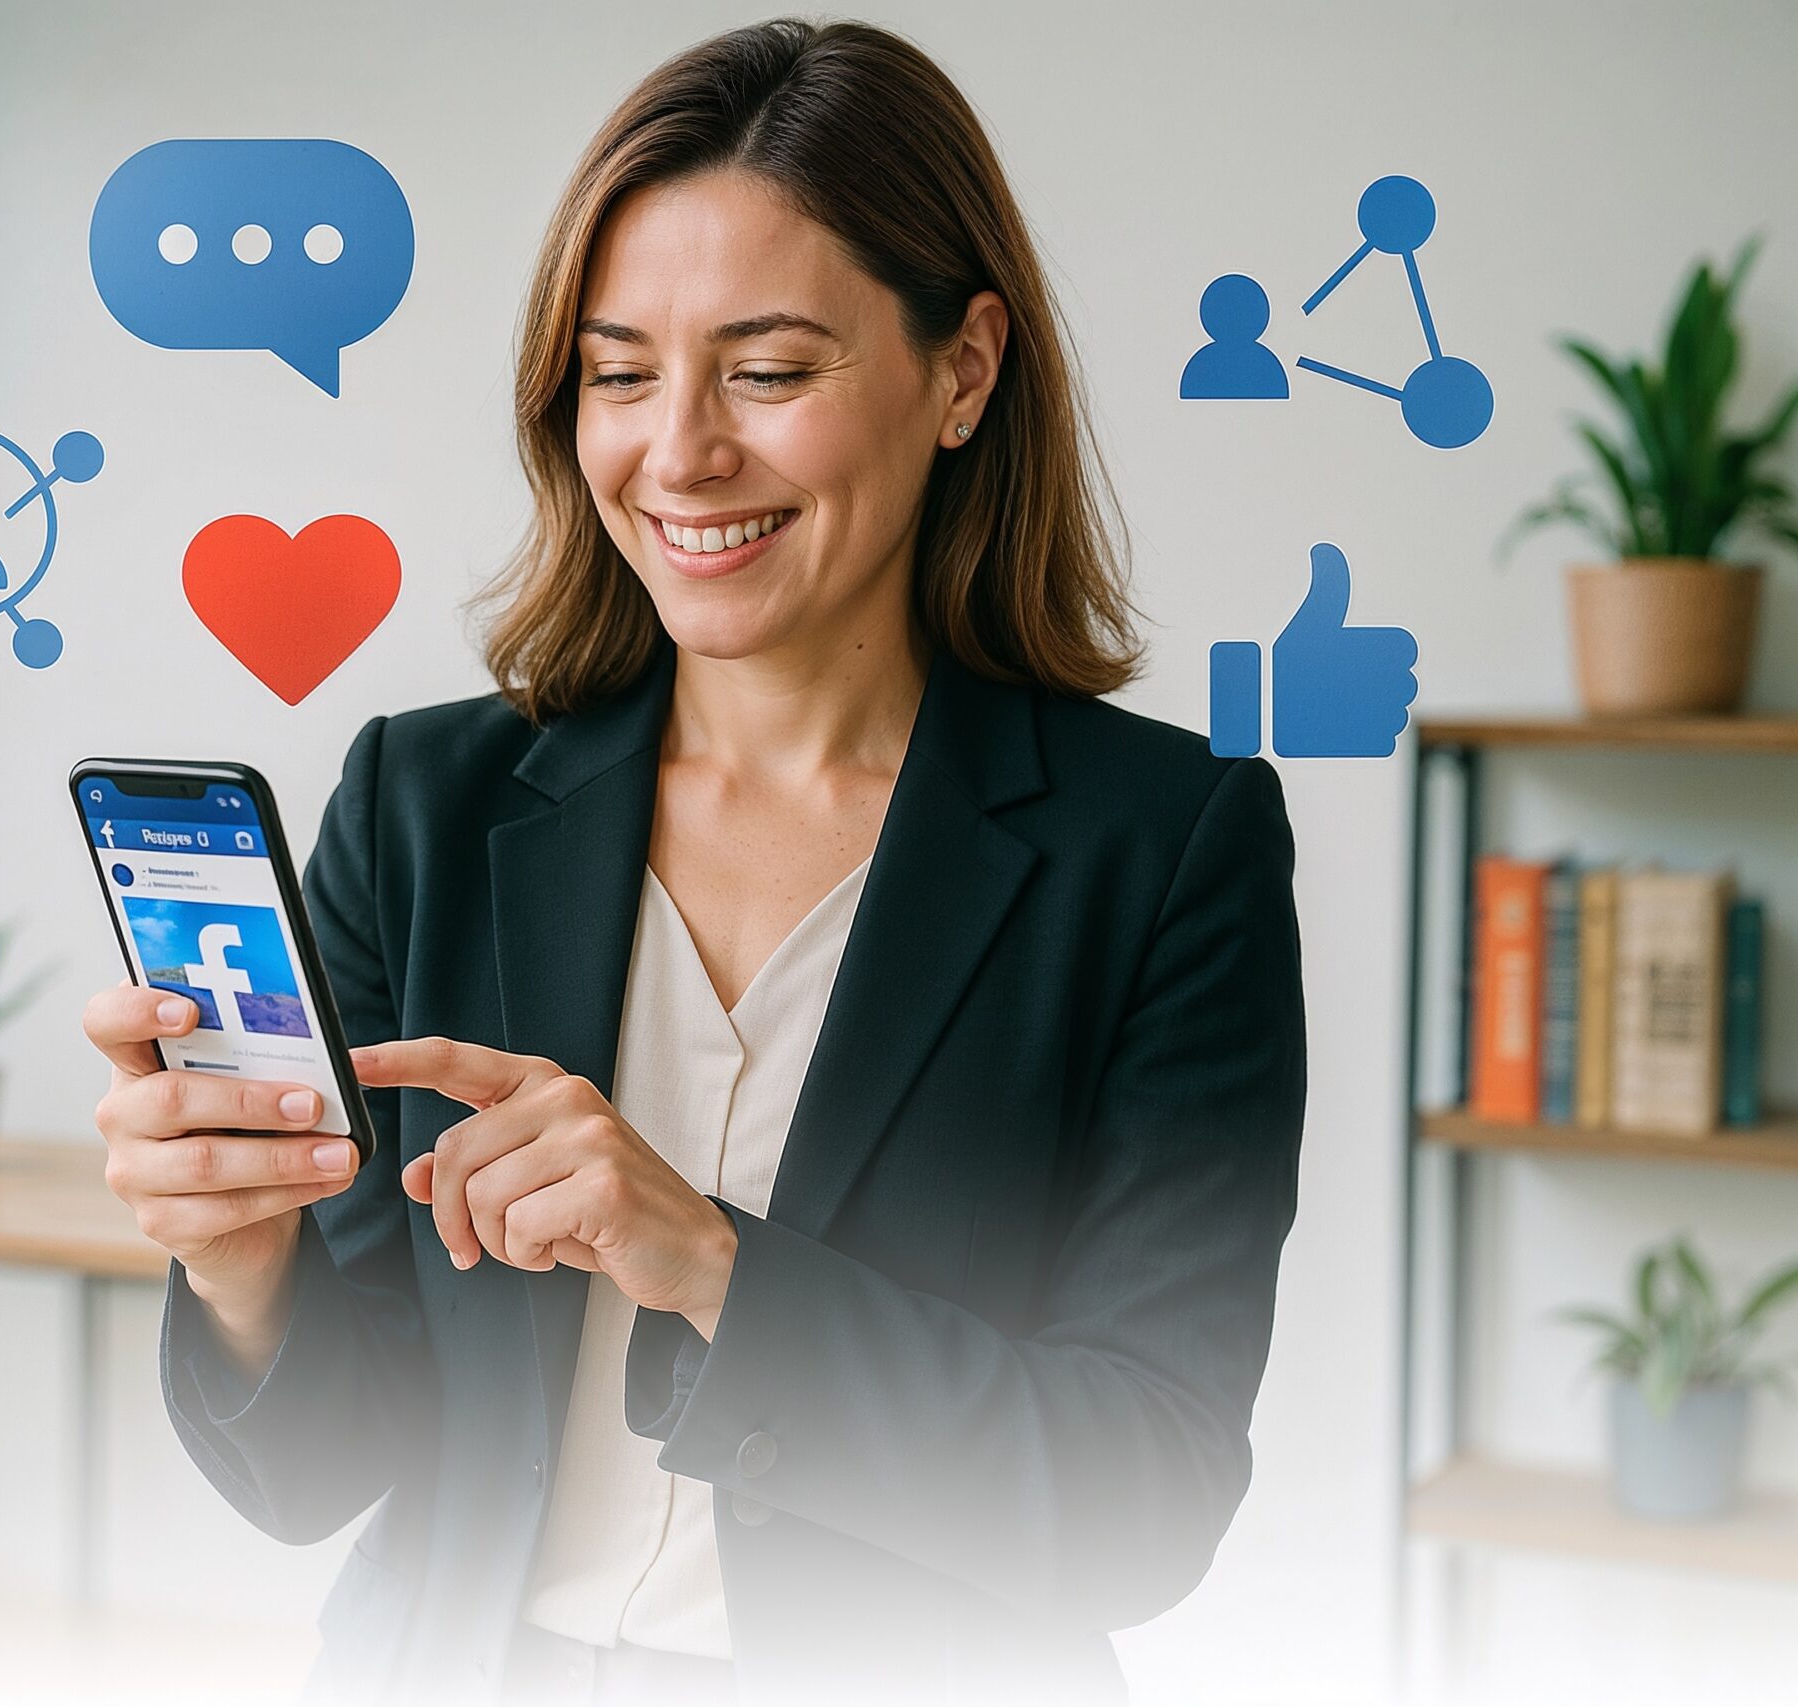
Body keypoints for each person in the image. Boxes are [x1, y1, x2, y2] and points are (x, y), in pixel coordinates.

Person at [85, 18, 1306, 1705]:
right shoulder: (424, 802)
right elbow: (315, 1469)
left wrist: (716, 1265)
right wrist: (236, 1264)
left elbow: (1145, 1498)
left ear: (963, 369)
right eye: (620, 371)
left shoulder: (1162, 849)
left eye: (772, 370)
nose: (679, 452)